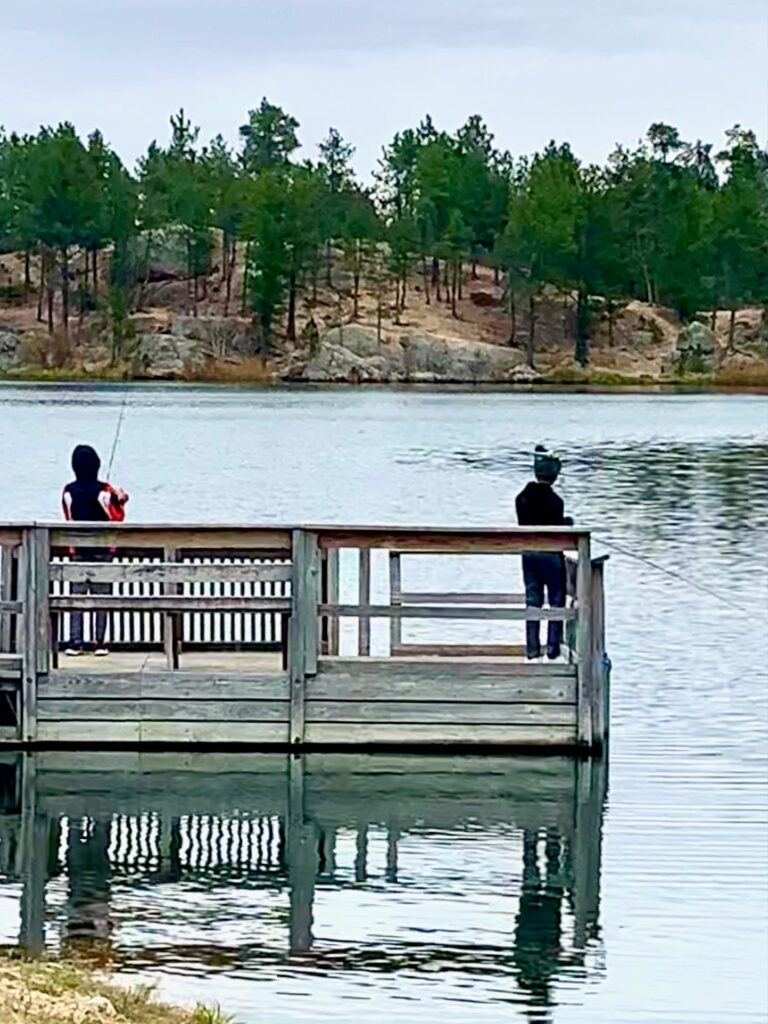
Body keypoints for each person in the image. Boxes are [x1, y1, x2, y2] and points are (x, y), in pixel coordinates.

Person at [62, 444, 129, 656]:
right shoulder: (105, 490)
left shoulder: (68, 491)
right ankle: (100, 642)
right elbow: (117, 517)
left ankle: (75, 642)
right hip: (103, 551)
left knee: (76, 598)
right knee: (103, 598)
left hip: (78, 550)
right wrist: (122, 500)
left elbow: (68, 515)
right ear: (97, 465)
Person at [515, 446, 572, 661]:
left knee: (533, 599)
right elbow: (556, 526)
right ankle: (553, 648)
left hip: (528, 555)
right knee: (556, 600)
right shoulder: (556, 501)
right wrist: (567, 523)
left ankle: (531, 648)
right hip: (550, 556)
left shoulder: (522, 498)